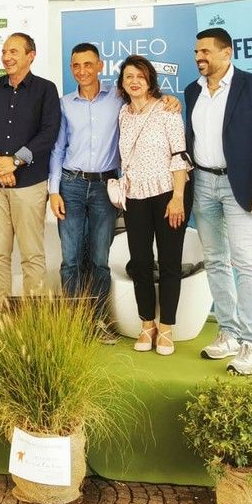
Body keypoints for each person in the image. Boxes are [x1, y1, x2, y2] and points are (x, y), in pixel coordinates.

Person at [49, 43, 181, 345]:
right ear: (71, 69)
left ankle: (97, 321)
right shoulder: (64, 103)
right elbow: (58, 148)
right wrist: (53, 190)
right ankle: (73, 323)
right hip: (70, 183)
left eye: (88, 64)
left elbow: (147, 100)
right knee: (70, 260)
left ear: (100, 66)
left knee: (99, 259)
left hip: (105, 187)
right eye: (76, 65)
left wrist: (169, 99)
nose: (82, 71)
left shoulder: (118, 98)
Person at [185, 27, 252, 375]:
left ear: (227, 53)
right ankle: (228, 333)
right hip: (203, 183)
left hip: (242, 186)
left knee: (247, 262)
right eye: (197, 52)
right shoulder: (192, 91)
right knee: (215, 260)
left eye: (206, 51)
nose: (199, 57)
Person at [0, 33, 60, 310]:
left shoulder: (46, 90)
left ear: (30, 55)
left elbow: (49, 133)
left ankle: (31, 320)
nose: (7, 57)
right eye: (4, 52)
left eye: (13, 52)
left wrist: (15, 162)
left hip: (30, 185)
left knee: (32, 255)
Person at [116, 55, 193, 356]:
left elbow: (179, 155)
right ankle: (147, 324)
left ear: (150, 80)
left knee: (170, 262)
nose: (134, 81)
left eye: (140, 76)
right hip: (135, 196)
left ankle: (167, 327)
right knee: (141, 262)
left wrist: (177, 198)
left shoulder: (167, 110)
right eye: (129, 77)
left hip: (168, 194)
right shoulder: (123, 114)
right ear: (122, 83)